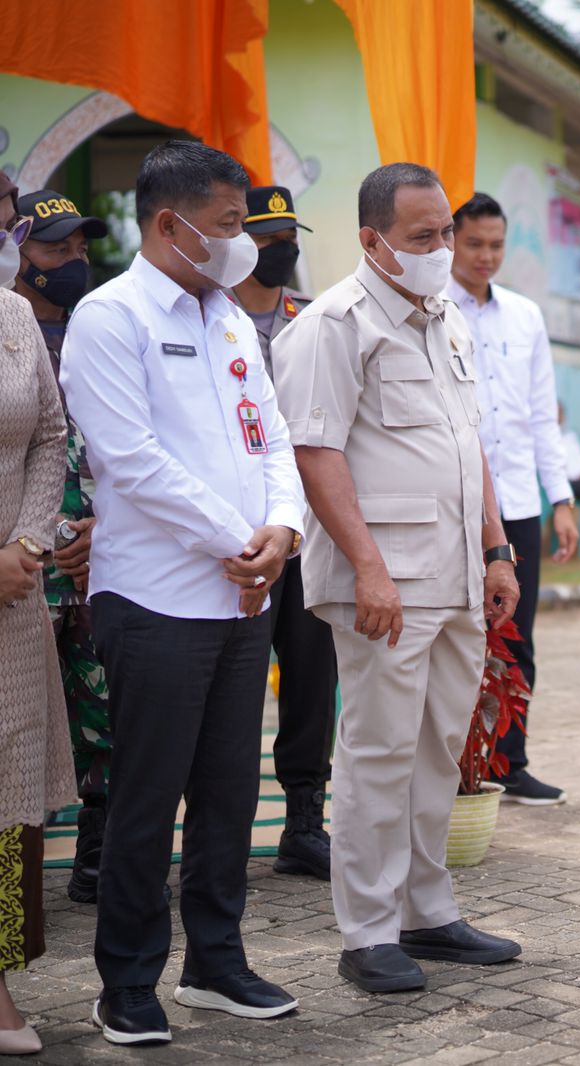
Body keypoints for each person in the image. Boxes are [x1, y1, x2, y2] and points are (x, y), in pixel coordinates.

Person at [61, 140, 305, 1045]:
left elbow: (270, 438)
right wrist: (240, 540)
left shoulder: (232, 318)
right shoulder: (109, 317)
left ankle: (216, 961)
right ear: (171, 226)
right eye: (232, 225)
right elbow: (131, 461)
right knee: (147, 794)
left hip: (247, 593)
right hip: (159, 596)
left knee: (229, 792)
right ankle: (126, 979)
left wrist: (284, 531)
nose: (246, 243)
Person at [273, 162, 523, 995]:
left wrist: (496, 548)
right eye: (424, 237)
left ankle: (427, 909)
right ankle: (368, 932)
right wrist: (369, 569)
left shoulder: (446, 317)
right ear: (372, 241)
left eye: (446, 232)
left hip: (454, 575)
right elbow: (316, 453)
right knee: (378, 753)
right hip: (384, 582)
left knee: (436, 750)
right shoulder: (333, 325)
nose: (443, 248)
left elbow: (468, 440)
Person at [446, 192, 577, 806]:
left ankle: (509, 761)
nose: (486, 256)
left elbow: (540, 418)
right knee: (451, 631)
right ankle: (449, 765)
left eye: (496, 245)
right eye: (474, 244)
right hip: (452, 500)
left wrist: (563, 499)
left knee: (516, 634)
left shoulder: (525, 316)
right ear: (451, 241)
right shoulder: (432, 309)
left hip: (520, 502)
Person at [228, 184, 339, 880]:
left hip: (311, 528)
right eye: (267, 238)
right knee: (236, 680)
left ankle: (304, 820)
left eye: (288, 236)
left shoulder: (312, 315)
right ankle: (225, 823)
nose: (282, 249)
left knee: (310, 673)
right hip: (240, 532)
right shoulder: (214, 316)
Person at [10, 188, 112, 903]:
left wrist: (104, 526)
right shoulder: (15, 334)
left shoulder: (99, 332)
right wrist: (34, 539)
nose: (72, 260)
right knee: (21, 730)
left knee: (107, 706)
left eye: (80, 247)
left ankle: (97, 864)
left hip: (101, 555)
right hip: (22, 570)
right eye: (56, 248)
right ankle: (20, 893)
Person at [0, 188, 74, 1058]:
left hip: (14, 603)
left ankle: (1, 983)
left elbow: (50, 435)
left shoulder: (16, 317)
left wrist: (24, 541)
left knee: (8, 792)